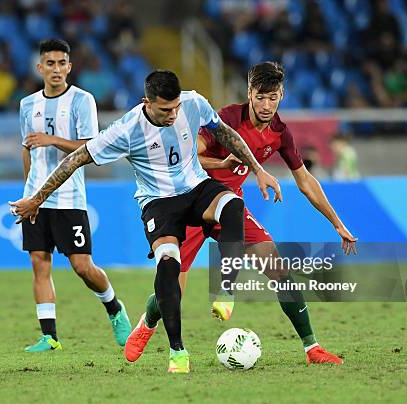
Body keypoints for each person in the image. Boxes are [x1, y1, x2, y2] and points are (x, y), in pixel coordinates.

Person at [10, 69, 282, 373]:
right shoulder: (125, 130)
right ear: (146, 102)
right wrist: (37, 198)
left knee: (231, 205)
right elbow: (75, 159)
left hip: (196, 187)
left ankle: (225, 288)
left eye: (176, 107)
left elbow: (226, 135)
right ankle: (177, 352)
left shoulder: (192, 103)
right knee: (168, 265)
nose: (173, 114)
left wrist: (257, 169)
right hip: (159, 203)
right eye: (165, 109)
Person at [124, 62, 357, 365]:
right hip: (190, 201)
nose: (266, 104)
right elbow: (189, 155)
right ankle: (148, 323)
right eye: (260, 97)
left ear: (282, 96)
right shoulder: (226, 119)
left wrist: (337, 223)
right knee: (172, 289)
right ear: (249, 93)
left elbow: (305, 180)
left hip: (229, 208)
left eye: (272, 97)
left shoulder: (279, 134)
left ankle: (311, 348)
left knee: (278, 268)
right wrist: (221, 165)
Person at [18, 39, 131, 353]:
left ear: (69, 66)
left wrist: (51, 139)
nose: (56, 69)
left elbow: (91, 147)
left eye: (61, 63)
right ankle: (49, 337)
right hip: (36, 200)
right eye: (50, 64)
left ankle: (113, 307)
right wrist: (30, 193)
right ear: (39, 67)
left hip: (69, 198)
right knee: (39, 264)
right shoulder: (27, 105)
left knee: (82, 266)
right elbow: (26, 149)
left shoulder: (83, 101)